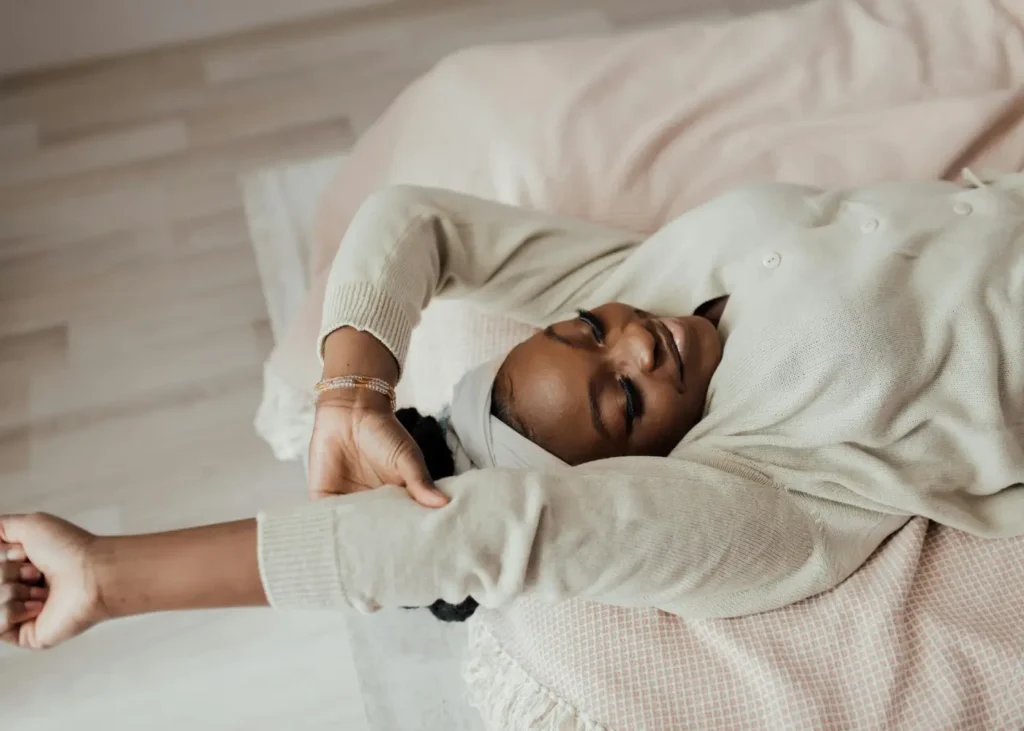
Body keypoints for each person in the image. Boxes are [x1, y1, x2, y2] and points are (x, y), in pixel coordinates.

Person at [4, 172, 1024, 650]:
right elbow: (498, 534)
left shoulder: (640, 281)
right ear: (644, 470)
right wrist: (115, 572)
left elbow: (418, 220)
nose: (637, 341)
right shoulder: (760, 490)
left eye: (586, 329)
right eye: (624, 399)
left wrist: (350, 388)